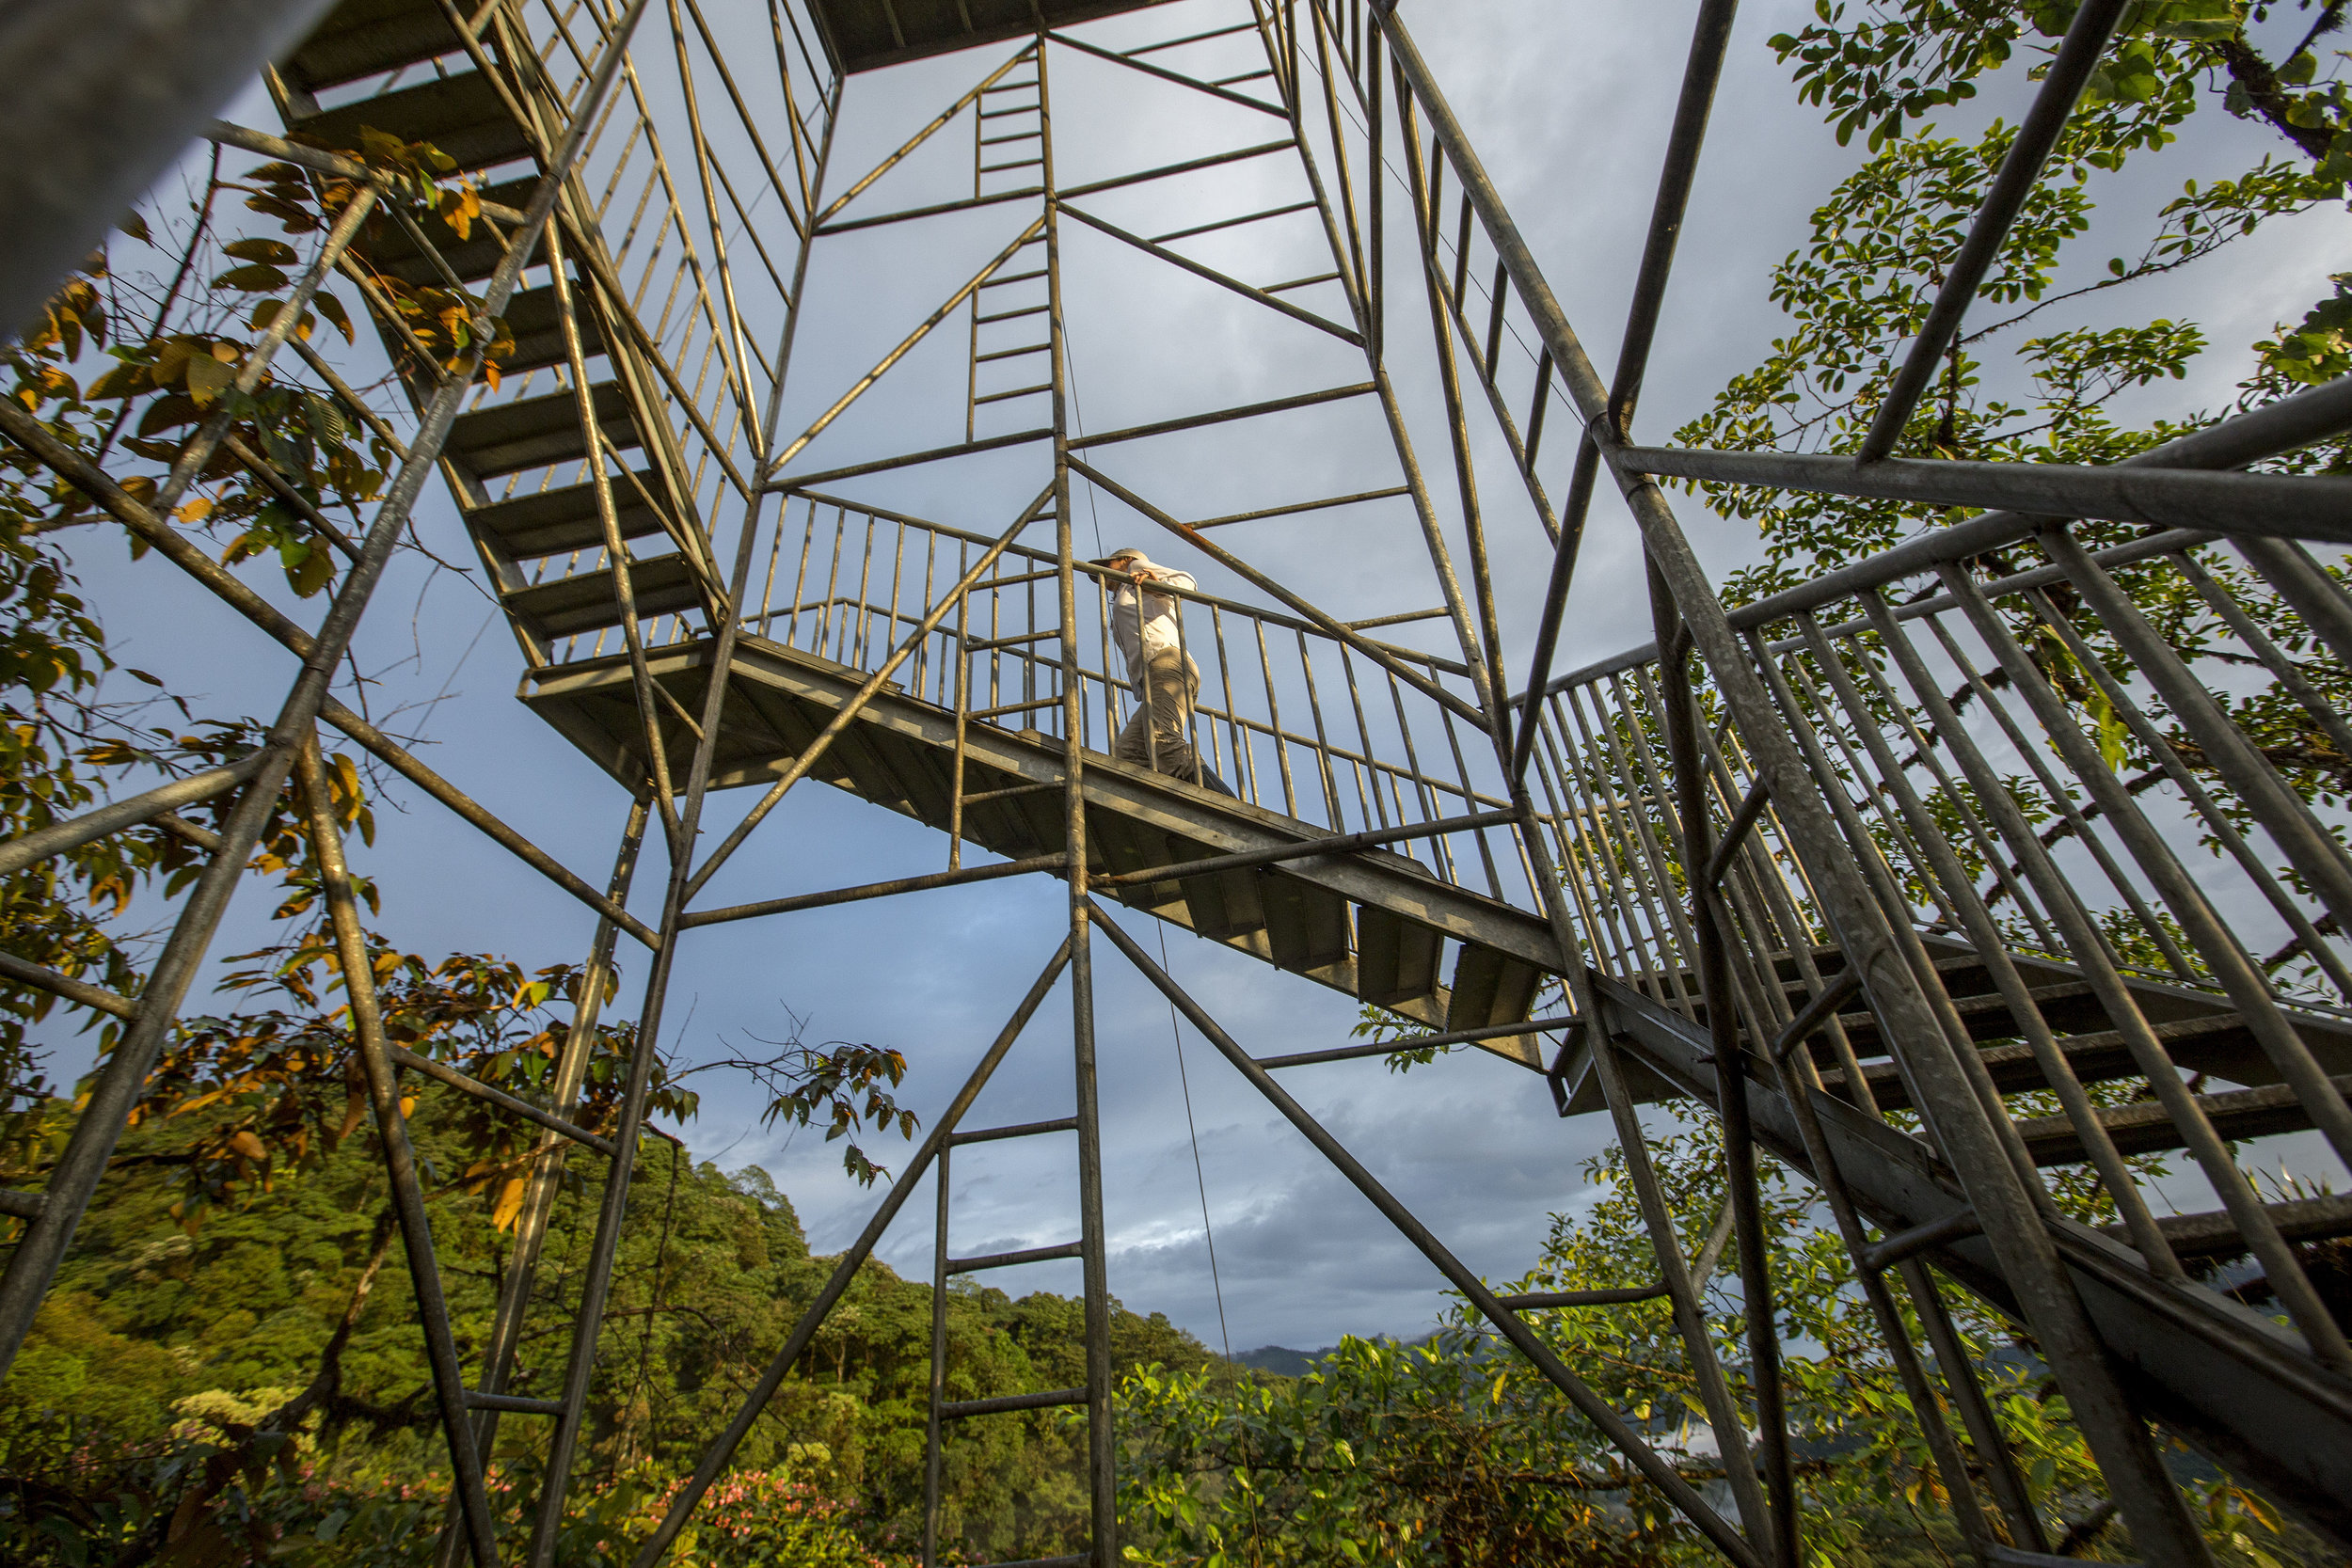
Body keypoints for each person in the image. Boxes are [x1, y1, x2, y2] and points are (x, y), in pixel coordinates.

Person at [1094, 546, 1235, 795]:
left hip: (1167, 662)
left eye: (1108, 565)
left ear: (1127, 560)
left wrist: (1154, 582)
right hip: (1155, 674)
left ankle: (1231, 807)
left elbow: (1187, 582)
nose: (1103, 573)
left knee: (1164, 742)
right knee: (1129, 754)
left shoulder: (1136, 570)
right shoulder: (1125, 592)